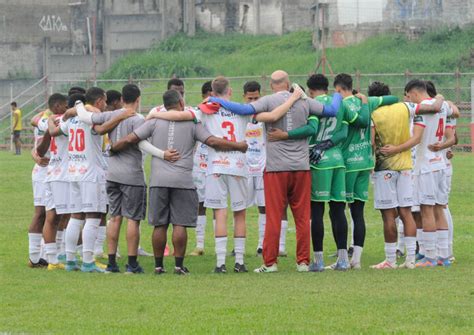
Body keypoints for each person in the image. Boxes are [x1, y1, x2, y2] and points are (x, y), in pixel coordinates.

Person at [207, 70, 341, 273]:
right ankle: (303, 262)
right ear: (288, 84)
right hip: (301, 167)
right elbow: (332, 110)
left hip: (276, 168)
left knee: (274, 216)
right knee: (303, 217)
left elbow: (243, 109)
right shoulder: (304, 101)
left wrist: (216, 100)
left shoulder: (268, 101)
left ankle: (270, 263)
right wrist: (340, 93)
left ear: (271, 86)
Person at [111, 89, 248, 275]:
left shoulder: (153, 121)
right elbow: (214, 142)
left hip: (159, 180)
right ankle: (178, 266)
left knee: (159, 225)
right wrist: (238, 146)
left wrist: (114, 147)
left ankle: (158, 267)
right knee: (179, 224)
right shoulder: (191, 123)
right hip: (182, 180)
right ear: (181, 103)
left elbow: (131, 139)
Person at [78, 84, 179, 274]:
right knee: (133, 219)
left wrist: (78, 104)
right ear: (138, 99)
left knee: (114, 218)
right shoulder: (138, 119)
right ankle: (132, 263)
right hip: (132, 175)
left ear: (122, 99)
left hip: (112, 174)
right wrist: (162, 154)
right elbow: (141, 143)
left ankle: (111, 262)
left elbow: (85, 116)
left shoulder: (110, 115)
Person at [369, 81, 444, 269]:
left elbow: (371, 142)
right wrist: (440, 97)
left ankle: (390, 260)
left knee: (388, 215)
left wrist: (378, 152)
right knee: (406, 212)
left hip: (384, 167)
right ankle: (410, 259)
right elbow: (433, 109)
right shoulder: (406, 106)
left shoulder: (374, 114)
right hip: (406, 167)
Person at [61, 87, 135, 273]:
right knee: (93, 216)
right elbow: (101, 129)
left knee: (76, 216)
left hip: (74, 171)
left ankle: (70, 259)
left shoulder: (73, 117)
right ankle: (87, 261)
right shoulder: (91, 116)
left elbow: (60, 124)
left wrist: (72, 110)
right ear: (100, 100)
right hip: (90, 173)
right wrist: (120, 117)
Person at [396, 80, 450, 268]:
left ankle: (430, 256)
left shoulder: (422, 108)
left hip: (425, 164)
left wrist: (396, 149)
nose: (409, 100)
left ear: (414, 93)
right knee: (438, 209)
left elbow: (417, 138)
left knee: (426, 210)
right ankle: (444, 255)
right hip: (440, 163)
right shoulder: (441, 105)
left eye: (409, 96)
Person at [34, 93, 69, 270]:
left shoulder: (48, 120)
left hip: (53, 173)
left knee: (56, 216)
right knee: (53, 216)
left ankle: (51, 257)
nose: (66, 108)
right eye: (64, 105)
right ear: (57, 107)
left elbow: (35, 120)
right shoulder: (65, 121)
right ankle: (53, 259)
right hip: (60, 174)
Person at [189, 81, 213, 256]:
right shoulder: (196, 114)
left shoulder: (223, 113)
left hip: (219, 163)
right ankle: (200, 244)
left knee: (220, 206)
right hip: (199, 164)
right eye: (208, 95)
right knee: (200, 204)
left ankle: (230, 246)